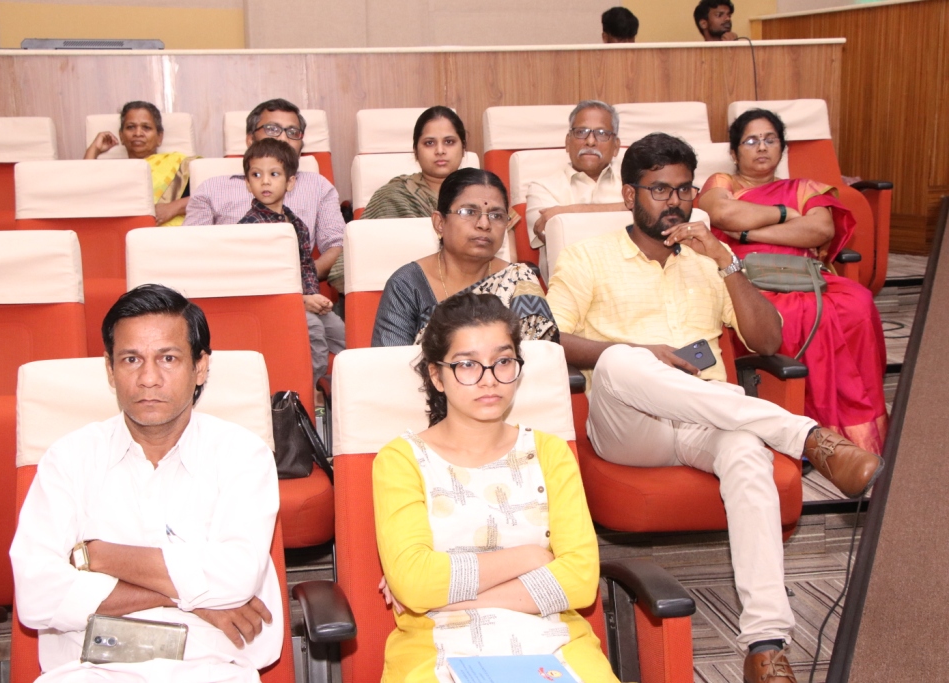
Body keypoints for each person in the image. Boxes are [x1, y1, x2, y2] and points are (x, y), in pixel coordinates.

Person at [545, 132, 883, 682]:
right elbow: (548, 338)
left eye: (684, 190)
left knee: (747, 450)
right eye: (659, 190)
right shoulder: (587, 257)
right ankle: (806, 436)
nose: (674, 202)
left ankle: (766, 647)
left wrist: (728, 263)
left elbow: (768, 341)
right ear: (630, 195)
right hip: (629, 426)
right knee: (624, 361)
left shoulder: (710, 261)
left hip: (708, 421)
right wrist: (641, 352)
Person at [10, 284, 282, 682]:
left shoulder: (243, 455)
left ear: (200, 367)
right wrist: (191, 599)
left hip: (209, 668)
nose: (148, 378)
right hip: (90, 670)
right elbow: (36, 597)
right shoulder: (68, 459)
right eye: (131, 359)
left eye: (168, 358)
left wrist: (98, 556)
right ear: (110, 369)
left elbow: (236, 577)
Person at [373, 293, 616, 683]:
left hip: (553, 637)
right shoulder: (401, 460)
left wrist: (450, 597)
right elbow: (416, 582)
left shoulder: (550, 453)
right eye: (467, 365)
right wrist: (533, 557)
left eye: (503, 361)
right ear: (436, 376)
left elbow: (581, 581)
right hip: (438, 642)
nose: (489, 379)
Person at [698, 109, 888, 453]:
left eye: (770, 140)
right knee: (784, 314)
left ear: (782, 148)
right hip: (745, 279)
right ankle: (793, 426)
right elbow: (723, 213)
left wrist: (748, 232)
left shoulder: (805, 187)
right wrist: (786, 214)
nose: (762, 147)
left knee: (857, 303)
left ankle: (849, 431)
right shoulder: (723, 183)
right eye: (751, 141)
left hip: (804, 275)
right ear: (734, 152)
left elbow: (820, 229)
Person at [372, 168, 557, 347]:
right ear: (439, 222)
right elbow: (390, 363)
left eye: (496, 215)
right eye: (468, 212)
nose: (484, 224)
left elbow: (541, 360)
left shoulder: (519, 280)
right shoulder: (407, 284)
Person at [183, 99, 344, 290]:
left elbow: (338, 247)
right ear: (250, 139)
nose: (283, 138)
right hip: (231, 288)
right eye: (272, 129)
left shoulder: (318, 186)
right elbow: (191, 250)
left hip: (295, 291)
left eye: (293, 132)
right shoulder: (211, 188)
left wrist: (297, 281)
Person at [238, 138, 345, 385]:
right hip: (274, 303)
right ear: (248, 184)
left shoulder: (297, 223)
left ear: (290, 182)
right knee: (314, 332)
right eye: (256, 175)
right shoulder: (248, 227)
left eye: (274, 174)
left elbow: (306, 267)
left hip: (303, 299)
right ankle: (309, 389)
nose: (265, 181)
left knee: (341, 332)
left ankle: (347, 385)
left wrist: (312, 296)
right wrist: (300, 300)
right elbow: (257, 278)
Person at [525, 100, 628, 276]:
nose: (590, 141)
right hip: (571, 285)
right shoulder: (542, 188)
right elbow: (553, 235)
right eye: (581, 132)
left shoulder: (631, 183)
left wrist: (566, 212)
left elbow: (652, 216)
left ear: (616, 147)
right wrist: (627, 210)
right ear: (567, 142)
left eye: (602, 133)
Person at [85, 101, 198, 226]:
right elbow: (84, 192)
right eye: (130, 127)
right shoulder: (113, 170)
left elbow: (211, 193)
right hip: (122, 232)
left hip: (172, 235)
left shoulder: (179, 164)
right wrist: (94, 149)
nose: (138, 133)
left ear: (159, 137)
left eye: (146, 127)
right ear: (121, 136)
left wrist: (173, 207)